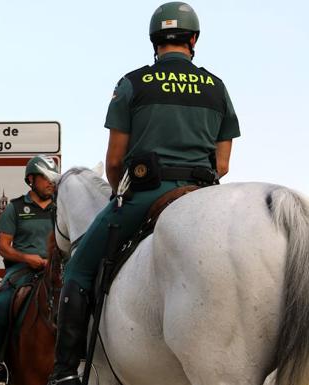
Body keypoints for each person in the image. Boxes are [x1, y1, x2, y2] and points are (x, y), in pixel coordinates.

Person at [48, 2, 240, 384]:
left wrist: (123, 190)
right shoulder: (217, 87)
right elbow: (223, 164)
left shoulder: (132, 83)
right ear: (194, 39)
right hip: (201, 194)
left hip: (146, 193)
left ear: (155, 41)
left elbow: (115, 159)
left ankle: (65, 372)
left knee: (79, 270)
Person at [0, 155, 60, 385]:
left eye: (54, 179)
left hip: (57, 269)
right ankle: (1, 363)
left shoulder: (61, 208)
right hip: (21, 270)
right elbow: (3, 247)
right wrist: (27, 258)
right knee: (2, 303)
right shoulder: (16, 208)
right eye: (46, 178)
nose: (51, 183)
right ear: (31, 179)